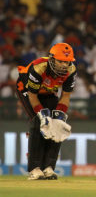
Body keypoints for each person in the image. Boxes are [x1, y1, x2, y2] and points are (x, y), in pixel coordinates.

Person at [16, 43, 77, 180]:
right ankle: (34, 169)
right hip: (27, 90)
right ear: (52, 59)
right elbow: (33, 95)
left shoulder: (71, 70)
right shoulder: (39, 68)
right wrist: (43, 115)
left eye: (66, 62)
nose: (63, 65)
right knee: (39, 122)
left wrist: (59, 116)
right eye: (60, 61)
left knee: (56, 125)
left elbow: (66, 96)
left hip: (49, 91)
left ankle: (49, 167)